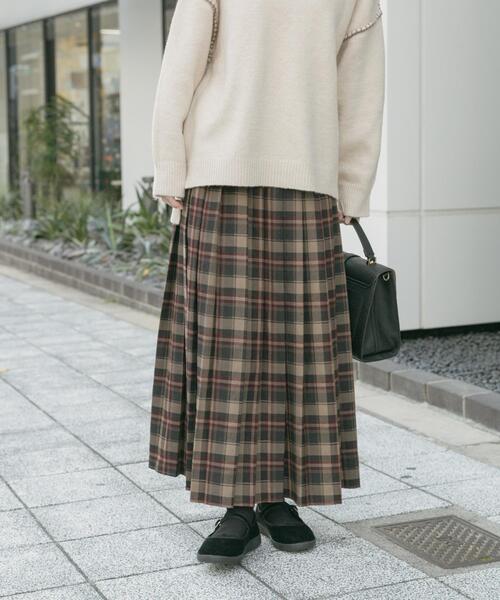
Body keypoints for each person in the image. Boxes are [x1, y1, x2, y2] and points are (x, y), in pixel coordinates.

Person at [149, 0, 385, 564]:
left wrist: (352, 184)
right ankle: (236, 507)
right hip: (217, 175)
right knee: (226, 353)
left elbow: (361, 90)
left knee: (299, 351)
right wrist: (170, 163)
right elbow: (180, 65)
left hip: (309, 180)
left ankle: (277, 500)